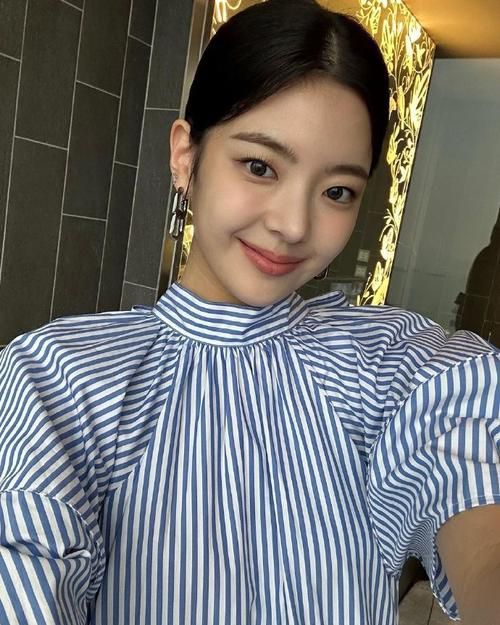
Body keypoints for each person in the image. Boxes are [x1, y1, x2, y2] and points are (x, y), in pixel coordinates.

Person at [0, 1, 499, 623]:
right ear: (185, 156)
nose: (293, 225)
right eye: (259, 166)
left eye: (337, 191)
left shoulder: (388, 364)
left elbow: (470, 472)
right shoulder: (60, 377)